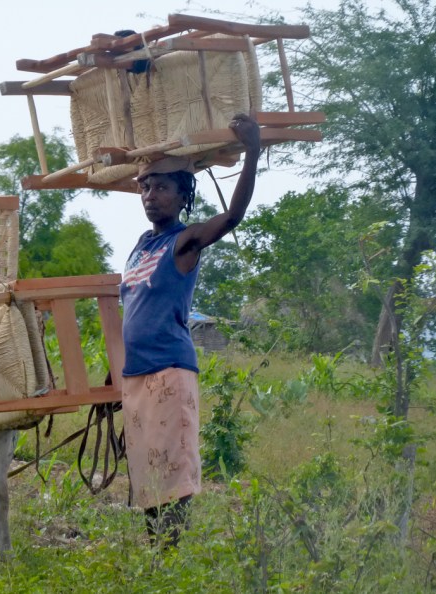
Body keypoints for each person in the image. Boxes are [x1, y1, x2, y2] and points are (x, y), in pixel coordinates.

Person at [120, 113, 261, 547]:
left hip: (169, 369)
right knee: (146, 467)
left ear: (183, 197)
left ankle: (170, 554)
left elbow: (234, 215)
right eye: (145, 187)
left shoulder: (186, 241)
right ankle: (155, 552)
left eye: (162, 187)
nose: (150, 195)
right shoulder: (142, 244)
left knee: (174, 469)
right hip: (135, 374)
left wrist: (252, 150)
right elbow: (129, 310)